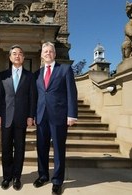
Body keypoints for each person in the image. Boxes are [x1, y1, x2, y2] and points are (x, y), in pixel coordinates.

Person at [33, 42, 78, 195]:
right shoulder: (37, 73)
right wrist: (32, 115)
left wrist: (72, 114)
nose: (47, 53)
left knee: (58, 149)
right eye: (45, 51)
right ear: (41, 54)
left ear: (54, 54)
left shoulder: (65, 69)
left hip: (59, 116)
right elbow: (35, 97)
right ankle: (43, 175)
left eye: (50, 51)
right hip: (41, 117)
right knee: (41, 148)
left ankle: (57, 180)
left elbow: (72, 93)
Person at [0, 45, 36, 190]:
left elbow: (32, 98)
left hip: (22, 118)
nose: (17, 56)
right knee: (6, 149)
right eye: (14, 54)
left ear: (23, 58)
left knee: (19, 149)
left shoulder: (30, 76)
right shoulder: (2, 76)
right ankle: (7, 177)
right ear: (10, 57)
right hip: (5, 117)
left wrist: (31, 115)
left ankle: (17, 177)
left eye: (20, 54)